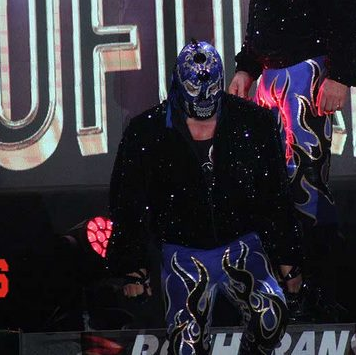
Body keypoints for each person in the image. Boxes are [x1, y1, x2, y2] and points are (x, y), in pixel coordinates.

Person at [228, 0, 356, 322]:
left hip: (309, 75)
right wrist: (247, 66)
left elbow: (352, 11)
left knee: (307, 181)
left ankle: (319, 289)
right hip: (271, 76)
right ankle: (284, 284)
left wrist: (341, 74)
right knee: (269, 181)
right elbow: (261, 9)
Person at [107, 41, 303, 355]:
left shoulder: (253, 122)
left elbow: (275, 195)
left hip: (241, 245)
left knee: (270, 316)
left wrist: (288, 260)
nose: (202, 98)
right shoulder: (146, 131)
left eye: (210, 89)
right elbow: (129, 201)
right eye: (193, 89)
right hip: (182, 252)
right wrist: (131, 266)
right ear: (178, 83)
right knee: (187, 345)